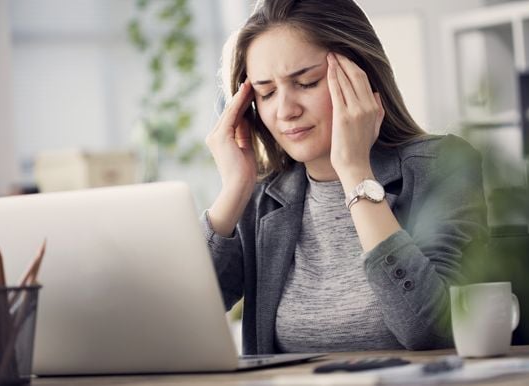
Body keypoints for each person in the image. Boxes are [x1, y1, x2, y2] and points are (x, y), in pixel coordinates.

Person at [202, 0, 488, 354]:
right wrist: (235, 188)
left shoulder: (441, 165)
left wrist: (355, 172)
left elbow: (431, 330)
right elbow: (180, 321)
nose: (286, 111)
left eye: (306, 83)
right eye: (267, 92)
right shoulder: (263, 198)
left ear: (361, 77)